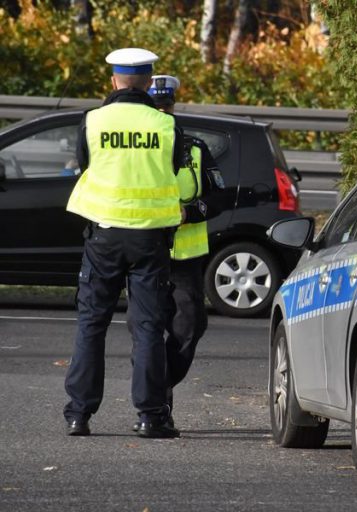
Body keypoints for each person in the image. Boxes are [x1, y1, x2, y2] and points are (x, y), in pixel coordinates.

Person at [63, 48, 186, 439]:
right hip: (150, 237)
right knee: (149, 326)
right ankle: (151, 416)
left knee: (91, 323)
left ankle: (79, 415)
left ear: (114, 81)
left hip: (104, 234)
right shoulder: (166, 126)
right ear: (149, 82)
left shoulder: (92, 121)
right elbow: (175, 170)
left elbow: (86, 165)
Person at [130, 74, 224, 431]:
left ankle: (160, 383)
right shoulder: (139, 147)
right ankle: (154, 404)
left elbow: (216, 197)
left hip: (187, 257)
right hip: (147, 250)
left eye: (167, 106)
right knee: (147, 330)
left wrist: (191, 211)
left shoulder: (194, 147)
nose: (163, 111)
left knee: (190, 327)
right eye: (157, 106)